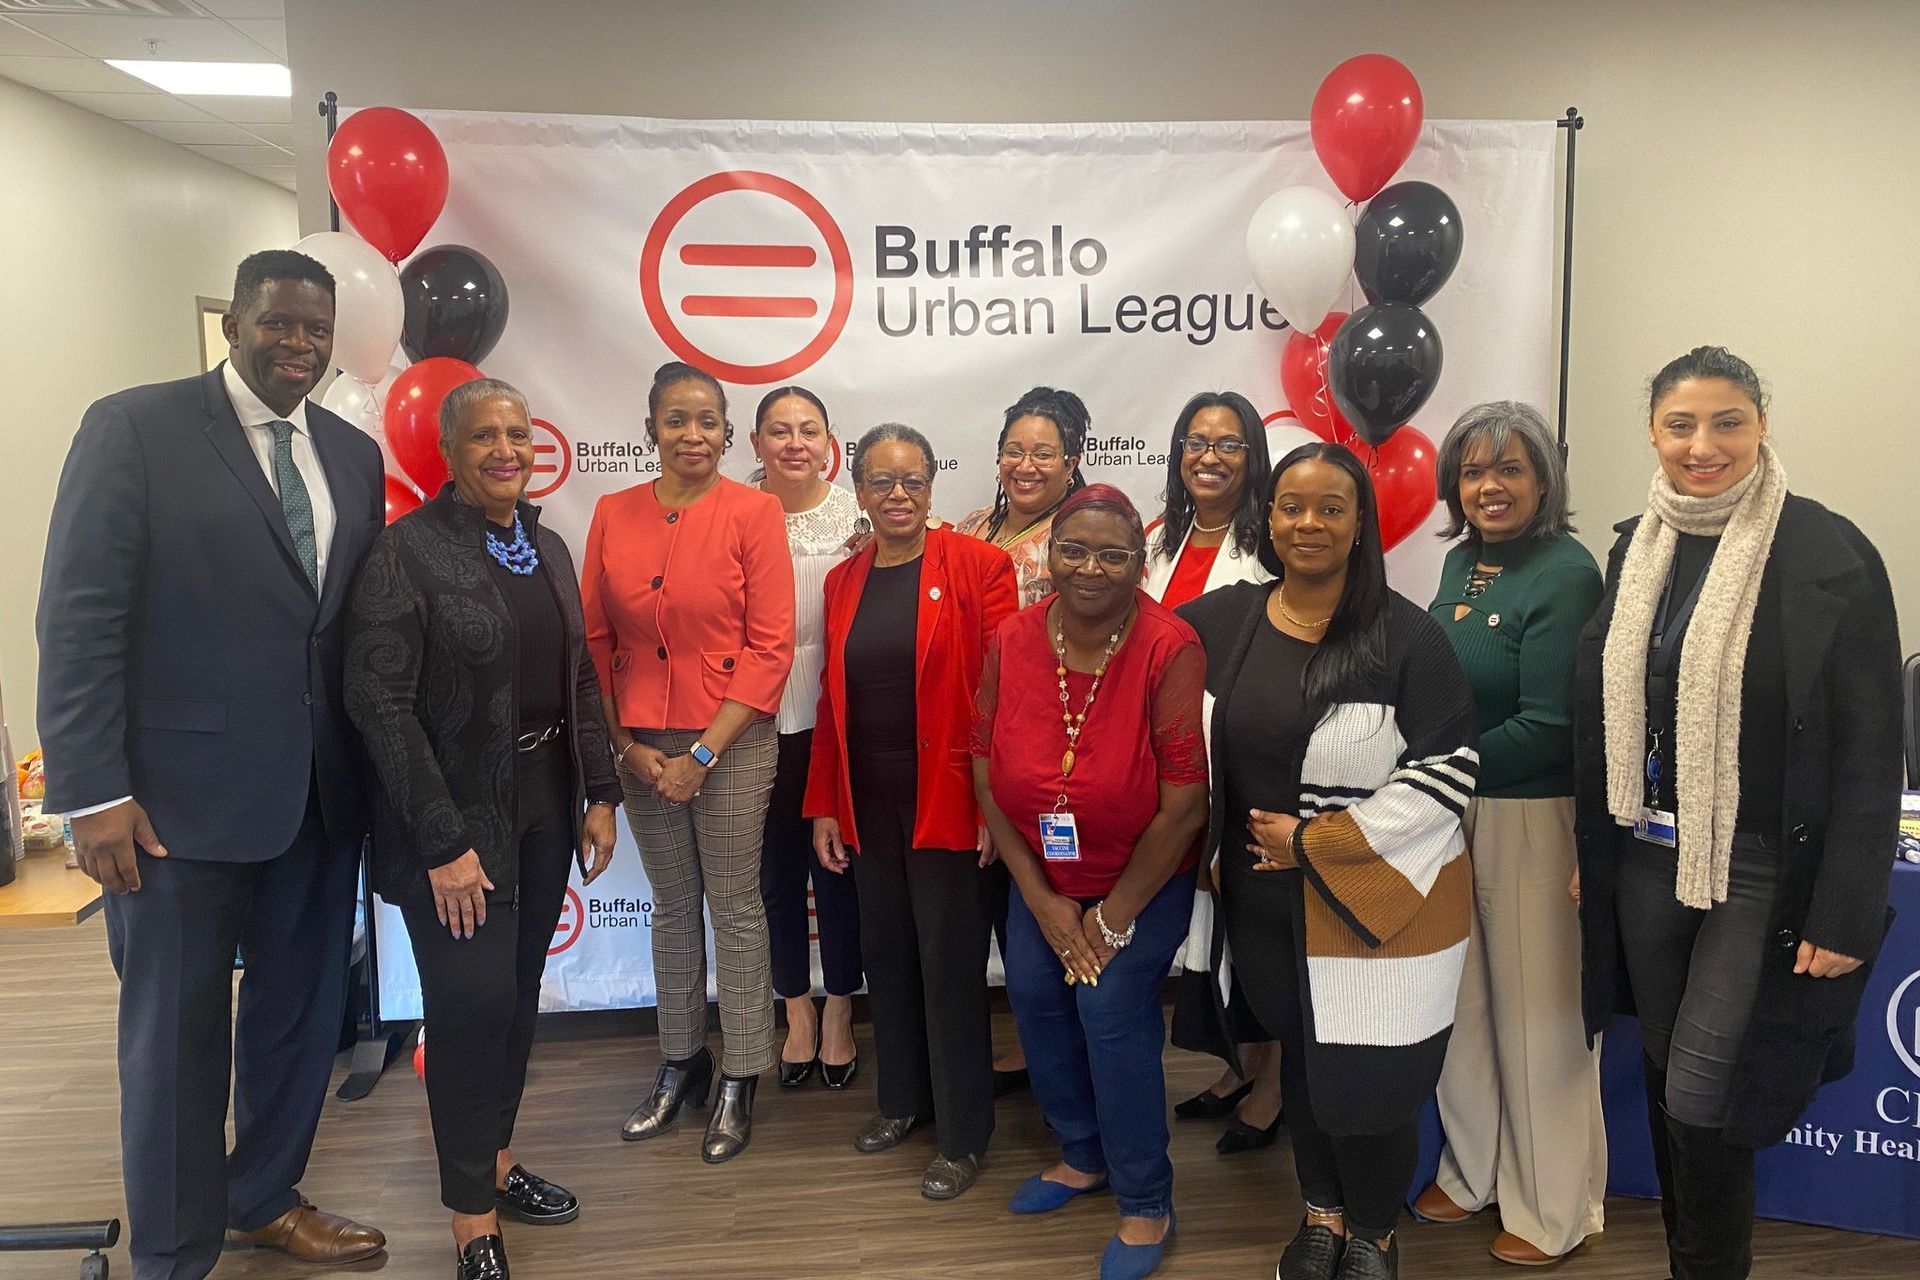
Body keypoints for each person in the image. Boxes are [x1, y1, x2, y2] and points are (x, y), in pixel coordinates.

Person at [34, 249, 388, 1279]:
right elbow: (79, 617)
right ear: (235, 323)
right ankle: (175, 1252)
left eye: (316, 330)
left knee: (296, 1016)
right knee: (175, 1040)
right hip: (170, 809)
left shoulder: (349, 454)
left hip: (319, 797)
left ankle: (262, 1192)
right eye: (279, 323)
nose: (299, 345)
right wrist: (92, 791)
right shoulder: (134, 427)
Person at [1573, 347, 1902, 1280]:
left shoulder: (1828, 553)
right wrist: (1591, 848)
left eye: (1727, 422)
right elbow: (1603, 722)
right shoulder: (1635, 547)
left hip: (1761, 866)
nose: (1702, 445)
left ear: (1763, 425)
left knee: (1704, 1091)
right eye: (1681, 424)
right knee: (1670, 1080)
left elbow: (1873, 755)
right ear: (1652, 432)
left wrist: (1844, 909)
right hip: (1647, 856)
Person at [1179, 442, 1478, 1280]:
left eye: (1331, 508)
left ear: (1359, 526)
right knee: (1306, 1062)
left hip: (1384, 906)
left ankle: (1377, 1233)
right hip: (1264, 904)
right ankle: (1322, 1215)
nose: (1307, 523)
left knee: (1372, 1081)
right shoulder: (1229, 621)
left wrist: (1313, 844)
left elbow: (1450, 772)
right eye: (1290, 506)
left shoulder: (1406, 636)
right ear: (1267, 519)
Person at [344, 378, 622, 1280]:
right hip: (455, 821)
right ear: (449, 451)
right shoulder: (405, 553)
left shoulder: (544, 544)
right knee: (467, 1007)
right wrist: (441, 842)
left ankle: (495, 1163)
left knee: (512, 996)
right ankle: (471, 1219)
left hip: (546, 798)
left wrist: (601, 793)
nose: (505, 450)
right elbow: (378, 703)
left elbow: (579, 674)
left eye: (518, 434)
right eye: (483, 437)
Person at [973, 484, 1208, 1280]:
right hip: (1042, 874)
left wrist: (1107, 922)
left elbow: (1183, 807)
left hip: (1142, 877)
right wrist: (1041, 902)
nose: (1090, 568)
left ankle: (1146, 1198)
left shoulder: (1169, 647)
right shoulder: (1010, 638)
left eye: (1113, 554)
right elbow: (982, 767)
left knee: (1108, 1006)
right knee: (1036, 995)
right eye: (1073, 550)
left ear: (1139, 565)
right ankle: (1081, 1154)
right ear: (1049, 554)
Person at [1410, 402, 1607, 1266]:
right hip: (1453, 812)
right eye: (1473, 471)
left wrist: (1425, 775)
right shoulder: (1462, 563)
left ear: (1543, 480)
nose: (1489, 487)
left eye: (1510, 469)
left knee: (1538, 1018)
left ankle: (1554, 1206)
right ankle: (1474, 1168)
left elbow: (1551, 726)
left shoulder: (1566, 572)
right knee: (1463, 1007)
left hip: (1528, 813)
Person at [583, 361, 795, 1163]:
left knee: (735, 906)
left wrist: (702, 752)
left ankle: (740, 1074)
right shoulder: (611, 511)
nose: (693, 435)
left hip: (731, 741)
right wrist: (630, 750)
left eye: (708, 421)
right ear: (651, 431)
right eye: (677, 420)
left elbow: (770, 646)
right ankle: (681, 1062)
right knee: (673, 908)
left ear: (727, 433)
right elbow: (597, 645)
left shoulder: (754, 511)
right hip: (641, 745)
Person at [806, 423, 1017, 1200]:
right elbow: (832, 703)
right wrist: (826, 802)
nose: (898, 495)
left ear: (932, 487)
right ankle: (902, 1101)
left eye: (913, 480)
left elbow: (1000, 699)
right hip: (867, 797)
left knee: (950, 965)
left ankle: (963, 1134)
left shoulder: (980, 567)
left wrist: (992, 808)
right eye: (881, 481)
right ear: (858, 491)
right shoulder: (842, 581)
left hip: (950, 799)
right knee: (886, 954)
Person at [1141, 391, 1283, 1156]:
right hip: (1172, 765)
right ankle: (1240, 1064)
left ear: (1253, 458)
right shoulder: (1160, 540)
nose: (1210, 456)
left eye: (1229, 444)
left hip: (1245, 758)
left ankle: (1275, 1085)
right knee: (1213, 923)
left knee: (1255, 918)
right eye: (1197, 440)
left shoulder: (1271, 541)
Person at [955, 385, 1091, 1087]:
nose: (1026, 464)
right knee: (1003, 915)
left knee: (1050, 907)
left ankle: (1068, 1071)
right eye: (1015, 449)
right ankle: (1038, 1054)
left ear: (1073, 461)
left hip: (1048, 749)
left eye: (1044, 452)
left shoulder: (1082, 536)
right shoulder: (974, 524)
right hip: (970, 745)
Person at [750, 385, 863, 1088]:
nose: (795, 443)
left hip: (837, 720)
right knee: (774, 876)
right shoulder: (736, 512)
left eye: (808, 430)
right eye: (779, 431)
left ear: (830, 443)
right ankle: (794, 1006)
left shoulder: (860, 514)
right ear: (756, 443)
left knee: (840, 873)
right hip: (754, 719)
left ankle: (841, 1009)